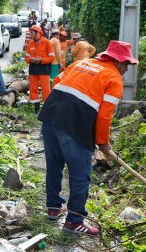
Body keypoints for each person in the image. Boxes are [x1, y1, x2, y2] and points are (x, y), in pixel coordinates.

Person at [38, 40, 139, 236]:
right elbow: (104, 116)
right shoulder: (113, 78)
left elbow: (57, 82)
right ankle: (74, 221)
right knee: (80, 174)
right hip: (74, 125)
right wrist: (103, 142)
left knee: (55, 165)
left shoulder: (81, 63)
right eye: (126, 64)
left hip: (51, 116)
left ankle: (53, 207)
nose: (126, 69)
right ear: (117, 61)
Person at [25, 25, 55, 113]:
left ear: (38, 33)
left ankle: (47, 108)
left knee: (45, 89)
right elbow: (27, 58)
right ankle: (36, 109)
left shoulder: (46, 42)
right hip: (33, 68)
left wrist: (41, 60)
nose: (31, 34)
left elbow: (52, 58)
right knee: (33, 88)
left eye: (32, 33)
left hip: (44, 68)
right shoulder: (30, 43)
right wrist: (31, 60)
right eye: (30, 32)